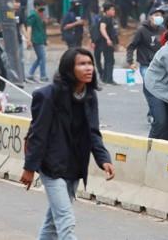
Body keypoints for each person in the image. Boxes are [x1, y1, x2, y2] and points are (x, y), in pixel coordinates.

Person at [20, 47, 115, 239]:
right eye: (82, 64)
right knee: (66, 220)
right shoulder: (48, 95)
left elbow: (93, 132)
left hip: (74, 166)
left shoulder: (89, 96)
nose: (88, 68)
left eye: (90, 64)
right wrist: (29, 168)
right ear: (69, 69)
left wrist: (104, 159)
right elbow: (38, 134)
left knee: (52, 224)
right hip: (52, 166)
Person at [126, 7, 165, 79]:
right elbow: (131, 46)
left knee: (158, 88)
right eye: (156, 15)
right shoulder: (142, 30)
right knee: (149, 86)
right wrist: (130, 62)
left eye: (161, 16)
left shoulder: (163, 30)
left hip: (160, 65)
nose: (159, 17)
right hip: (146, 65)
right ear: (150, 17)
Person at [27, 0, 49, 82]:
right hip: (36, 39)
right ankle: (43, 75)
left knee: (40, 57)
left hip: (40, 39)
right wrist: (28, 40)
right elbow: (29, 27)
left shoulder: (39, 14)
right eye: (42, 6)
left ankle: (30, 74)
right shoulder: (33, 15)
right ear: (36, 6)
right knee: (42, 57)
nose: (43, 8)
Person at [99, 3, 119, 85]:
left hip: (110, 43)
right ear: (107, 11)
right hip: (106, 43)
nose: (114, 11)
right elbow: (102, 28)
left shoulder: (111, 19)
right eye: (112, 9)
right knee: (109, 60)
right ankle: (108, 79)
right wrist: (107, 39)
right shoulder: (105, 18)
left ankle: (106, 78)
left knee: (110, 60)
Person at [12, 0, 27, 82]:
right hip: (10, 40)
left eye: (18, 2)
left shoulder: (20, 12)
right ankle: (13, 77)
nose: (17, 4)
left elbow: (22, 26)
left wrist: (27, 38)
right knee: (12, 59)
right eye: (15, 2)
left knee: (21, 59)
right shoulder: (8, 12)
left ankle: (22, 77)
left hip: (18, 38)